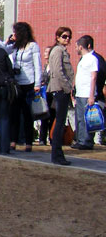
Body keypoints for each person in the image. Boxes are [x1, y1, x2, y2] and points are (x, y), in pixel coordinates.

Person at [5, 22, 42, 152]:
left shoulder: (33, 46)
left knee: (27, 114)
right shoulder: (15, 47)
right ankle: (13, 140)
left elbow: (37, 65)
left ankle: (28, 142)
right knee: (14, 112)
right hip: (17, 83)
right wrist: (8, 41)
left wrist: (37, 83)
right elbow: (4, 50)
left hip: (29, 82)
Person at [47, 27, 74, 165]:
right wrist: (67, 87)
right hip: (60, 89)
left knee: (60, 121)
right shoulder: (58, 50)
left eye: (69, 36)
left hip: (60, 89)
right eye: (64, 36)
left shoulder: (61, 50)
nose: (67, 39)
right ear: (57, 37)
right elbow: (58, 70)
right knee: (59, 122)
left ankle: (57, 154)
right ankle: (57, 154)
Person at [71, 35, 98, 150]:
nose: (75, 49)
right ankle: (81, 140)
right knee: (80, 119)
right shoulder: (83, 59)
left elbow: (93, 77)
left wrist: (91, 95)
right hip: (80, 94)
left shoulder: (92, 59)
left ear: (81, 47)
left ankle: (86, 141)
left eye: (76, 47)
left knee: (87, 119)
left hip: (87, 94)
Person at [37, 45, 56, 146]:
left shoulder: (54, 66)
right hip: (44, 94)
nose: (46, 54)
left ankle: (52, 137)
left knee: (52, 116)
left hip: (52, 94)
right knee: (44, 116)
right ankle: (42, 138)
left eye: (48, 52)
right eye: (45, 52)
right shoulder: (44, 67)